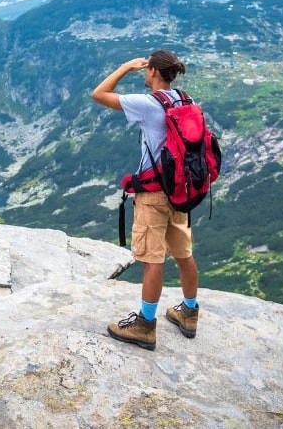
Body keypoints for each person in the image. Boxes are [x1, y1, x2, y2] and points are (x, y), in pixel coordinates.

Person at [91, 49, 200, 350]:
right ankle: (188, 312)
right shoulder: (186, 100)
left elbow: (99, 94)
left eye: (146, 69)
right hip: (180, 190)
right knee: (183, 253)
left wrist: (125, 67)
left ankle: (145, 325)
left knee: (152, 259)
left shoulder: (147, 104)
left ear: (151, 71)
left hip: (152, 194)